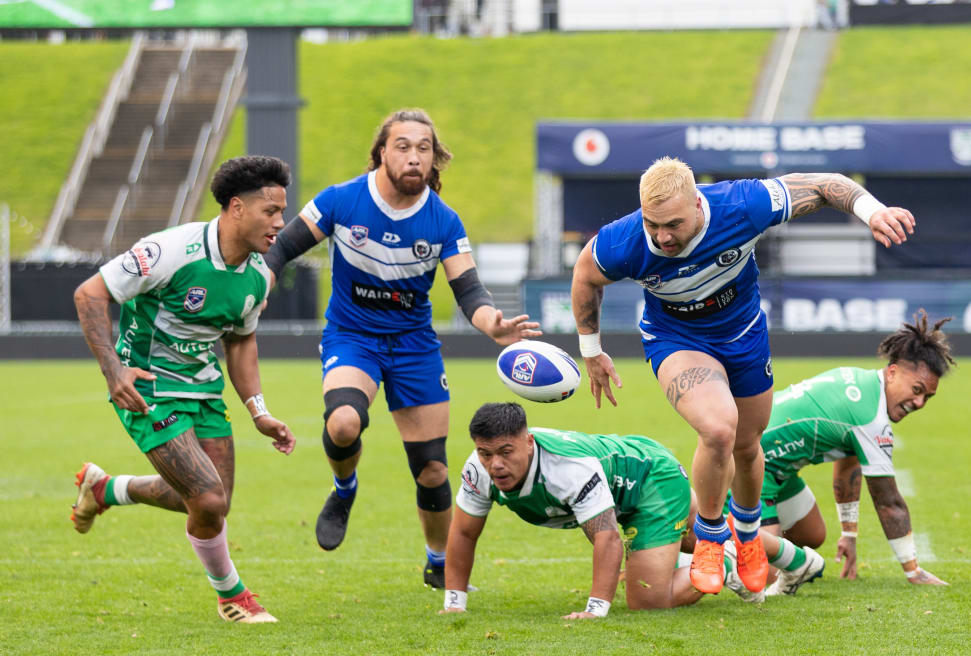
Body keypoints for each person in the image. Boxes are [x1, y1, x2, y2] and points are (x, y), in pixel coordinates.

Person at [571, 157, 915, 596]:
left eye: (673, 224)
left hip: (744, 335)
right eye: (652, 224)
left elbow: (828, 184)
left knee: (747, 443)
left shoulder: (742, 205)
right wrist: (592, 350)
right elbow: (586, 274)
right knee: (718, 428)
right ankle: (713, 537)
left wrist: (873, 211)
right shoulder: (624, 240)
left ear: (698, 204)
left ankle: (749, 533)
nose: (662, 236)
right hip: (676, 340)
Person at [262, 108, 540, 587]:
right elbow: (282, 246)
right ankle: (343, 488)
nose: (414, 157)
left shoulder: (443, 221)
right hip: (353, 336)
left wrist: (491, 322)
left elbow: (469, 290)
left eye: (424, 149)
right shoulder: (341, 201)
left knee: (432, 469)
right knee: (345, 422)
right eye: (403, 146)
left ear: (435, 161)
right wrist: (261, 280)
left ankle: (437, 564)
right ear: (382, 153)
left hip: (414, 346)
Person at [70, 156, 297, 623]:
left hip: (204, 391)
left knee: (211, 504)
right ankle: (233, 596)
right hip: (146, 386)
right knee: (209, 498)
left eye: (282, 212)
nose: (280, 223)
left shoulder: (256, 277)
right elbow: (89, 294)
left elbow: (240, 341)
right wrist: (115, 372)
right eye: (271, 211)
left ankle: (107, 489)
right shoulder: (170, 251)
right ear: (236, 208)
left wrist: (259, 411)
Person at [438, 402, 822, 616]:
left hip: (650, 481)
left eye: (506, 452)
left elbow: (606, 539)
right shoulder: (478, 469)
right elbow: (464, 532)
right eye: (486, 454)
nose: (496, 465)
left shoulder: (566, 470)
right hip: (634, 468)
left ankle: (720, 562)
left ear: (529, 443)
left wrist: (595, 609)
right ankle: (798, 561)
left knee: (647, 600)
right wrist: (454, 603)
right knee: (697, 535)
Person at [756, 311, 953, 592]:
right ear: (893, 371)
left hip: (778, 470)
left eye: (927, 397)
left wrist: (849, 534)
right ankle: (704, 548)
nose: (920, 402)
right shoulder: (870, 416)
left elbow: (848, 462)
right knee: (764, 577)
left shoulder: (863, 384)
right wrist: (913, 570)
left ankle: (742, 539)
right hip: (750, 462)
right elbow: (888, 502)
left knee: (812, 533)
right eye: (917, 389)